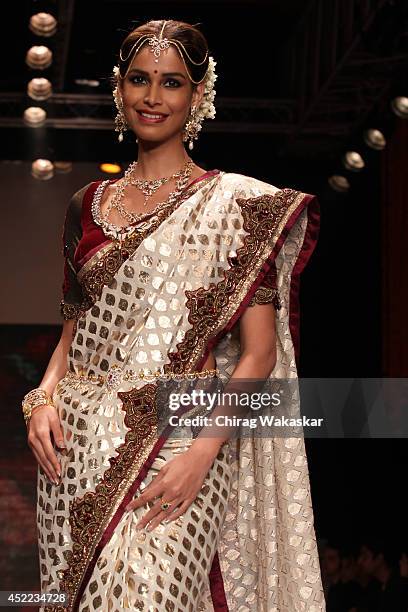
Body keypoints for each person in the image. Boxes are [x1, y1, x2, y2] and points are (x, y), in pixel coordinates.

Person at [22, 19, 326, 611]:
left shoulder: (237, 205)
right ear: (119, 89)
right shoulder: (85, 206)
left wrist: (202, 453)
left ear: (198, 94)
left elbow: (259, 353)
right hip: (77, 447)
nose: (153, 97)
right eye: (139, 80)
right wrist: (41, 400)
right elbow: (72, 336)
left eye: (172, 83)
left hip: (182, 434)